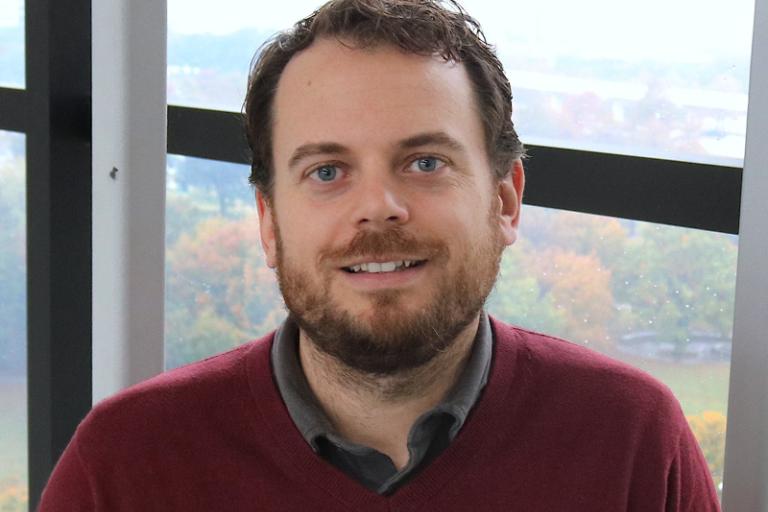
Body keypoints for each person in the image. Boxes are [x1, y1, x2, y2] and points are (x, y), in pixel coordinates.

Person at [39, 0, 721, 510]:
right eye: (327, 172)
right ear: (269, 223)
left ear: (506, 202)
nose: (379, 207)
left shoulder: (631, 440)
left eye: (425, 161)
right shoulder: (124, 466)